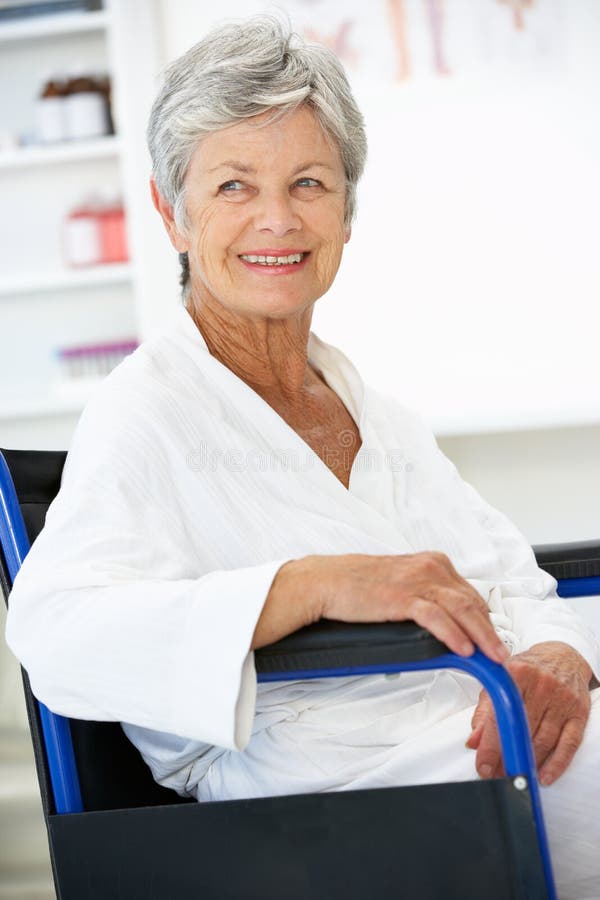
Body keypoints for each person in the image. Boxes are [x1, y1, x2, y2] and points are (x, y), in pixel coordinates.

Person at [6, 16, 599, 899]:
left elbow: (513, 580)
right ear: (173, 212)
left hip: (479, 726)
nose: (277, 218)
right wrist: (311, 585)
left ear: (347, 213)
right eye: (234, 185)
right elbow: (55, 634)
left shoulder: (375, 413)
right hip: (329, 786)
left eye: (309, 182)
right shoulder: (145, 413)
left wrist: (561, 660)